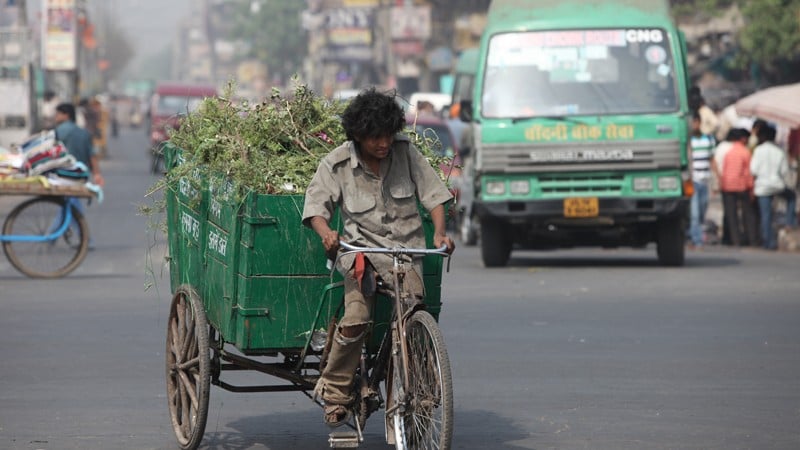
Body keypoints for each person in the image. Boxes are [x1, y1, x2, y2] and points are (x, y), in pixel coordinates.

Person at [302, 87, 455, 427]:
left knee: (415, 312)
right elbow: (316, 207)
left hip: (406, 252)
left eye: (387, 136)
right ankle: (336, 394)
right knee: (356, 317)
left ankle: (420, 385)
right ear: (358, 135)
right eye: (375, 138)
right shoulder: (337, 163)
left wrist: (440, 233)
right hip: (362, 254)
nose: (383, 144)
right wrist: (326, 232)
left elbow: (434, 195)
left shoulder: (406, 153)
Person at [54, 103, 105, 247]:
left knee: (72, 208)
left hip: (62, 177)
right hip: (80, 177)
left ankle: (86, 240)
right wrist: (97, 174)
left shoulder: (58, 132)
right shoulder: (84, 133)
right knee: (67, 206)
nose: (55, 117)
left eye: (58, 114)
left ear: (66, 115)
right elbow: (92, 156)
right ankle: (52, 236)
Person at [750, 123, 797, 249]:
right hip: (777, 185)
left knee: (766, 216)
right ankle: (790, 222)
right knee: (791, 197)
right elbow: (784, 171)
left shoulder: (758, 150)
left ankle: (768, 242)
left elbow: (753, 170)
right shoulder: (779, 151)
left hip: (762, 187)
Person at [719, 128, 757, 247]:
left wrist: (723, 184)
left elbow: (724, 170)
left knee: (731, 215)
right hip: (742, 186)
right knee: (748, 214)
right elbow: (748, 172)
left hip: (728, 186)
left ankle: (736, 240)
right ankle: (752, 239)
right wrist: (751, 187)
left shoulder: (729, 153)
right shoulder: (745, 152)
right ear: (743, 139)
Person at [688, 112, 716, 249]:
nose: (694, 125)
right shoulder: (688, 141)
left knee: (702, 209)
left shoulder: (709, 139)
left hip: (705, 180)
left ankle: (693, 234)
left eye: (696, 122)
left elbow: (712, 159)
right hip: (693, 180)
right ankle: (697, 240)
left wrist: (718, 179)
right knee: (694, 213)